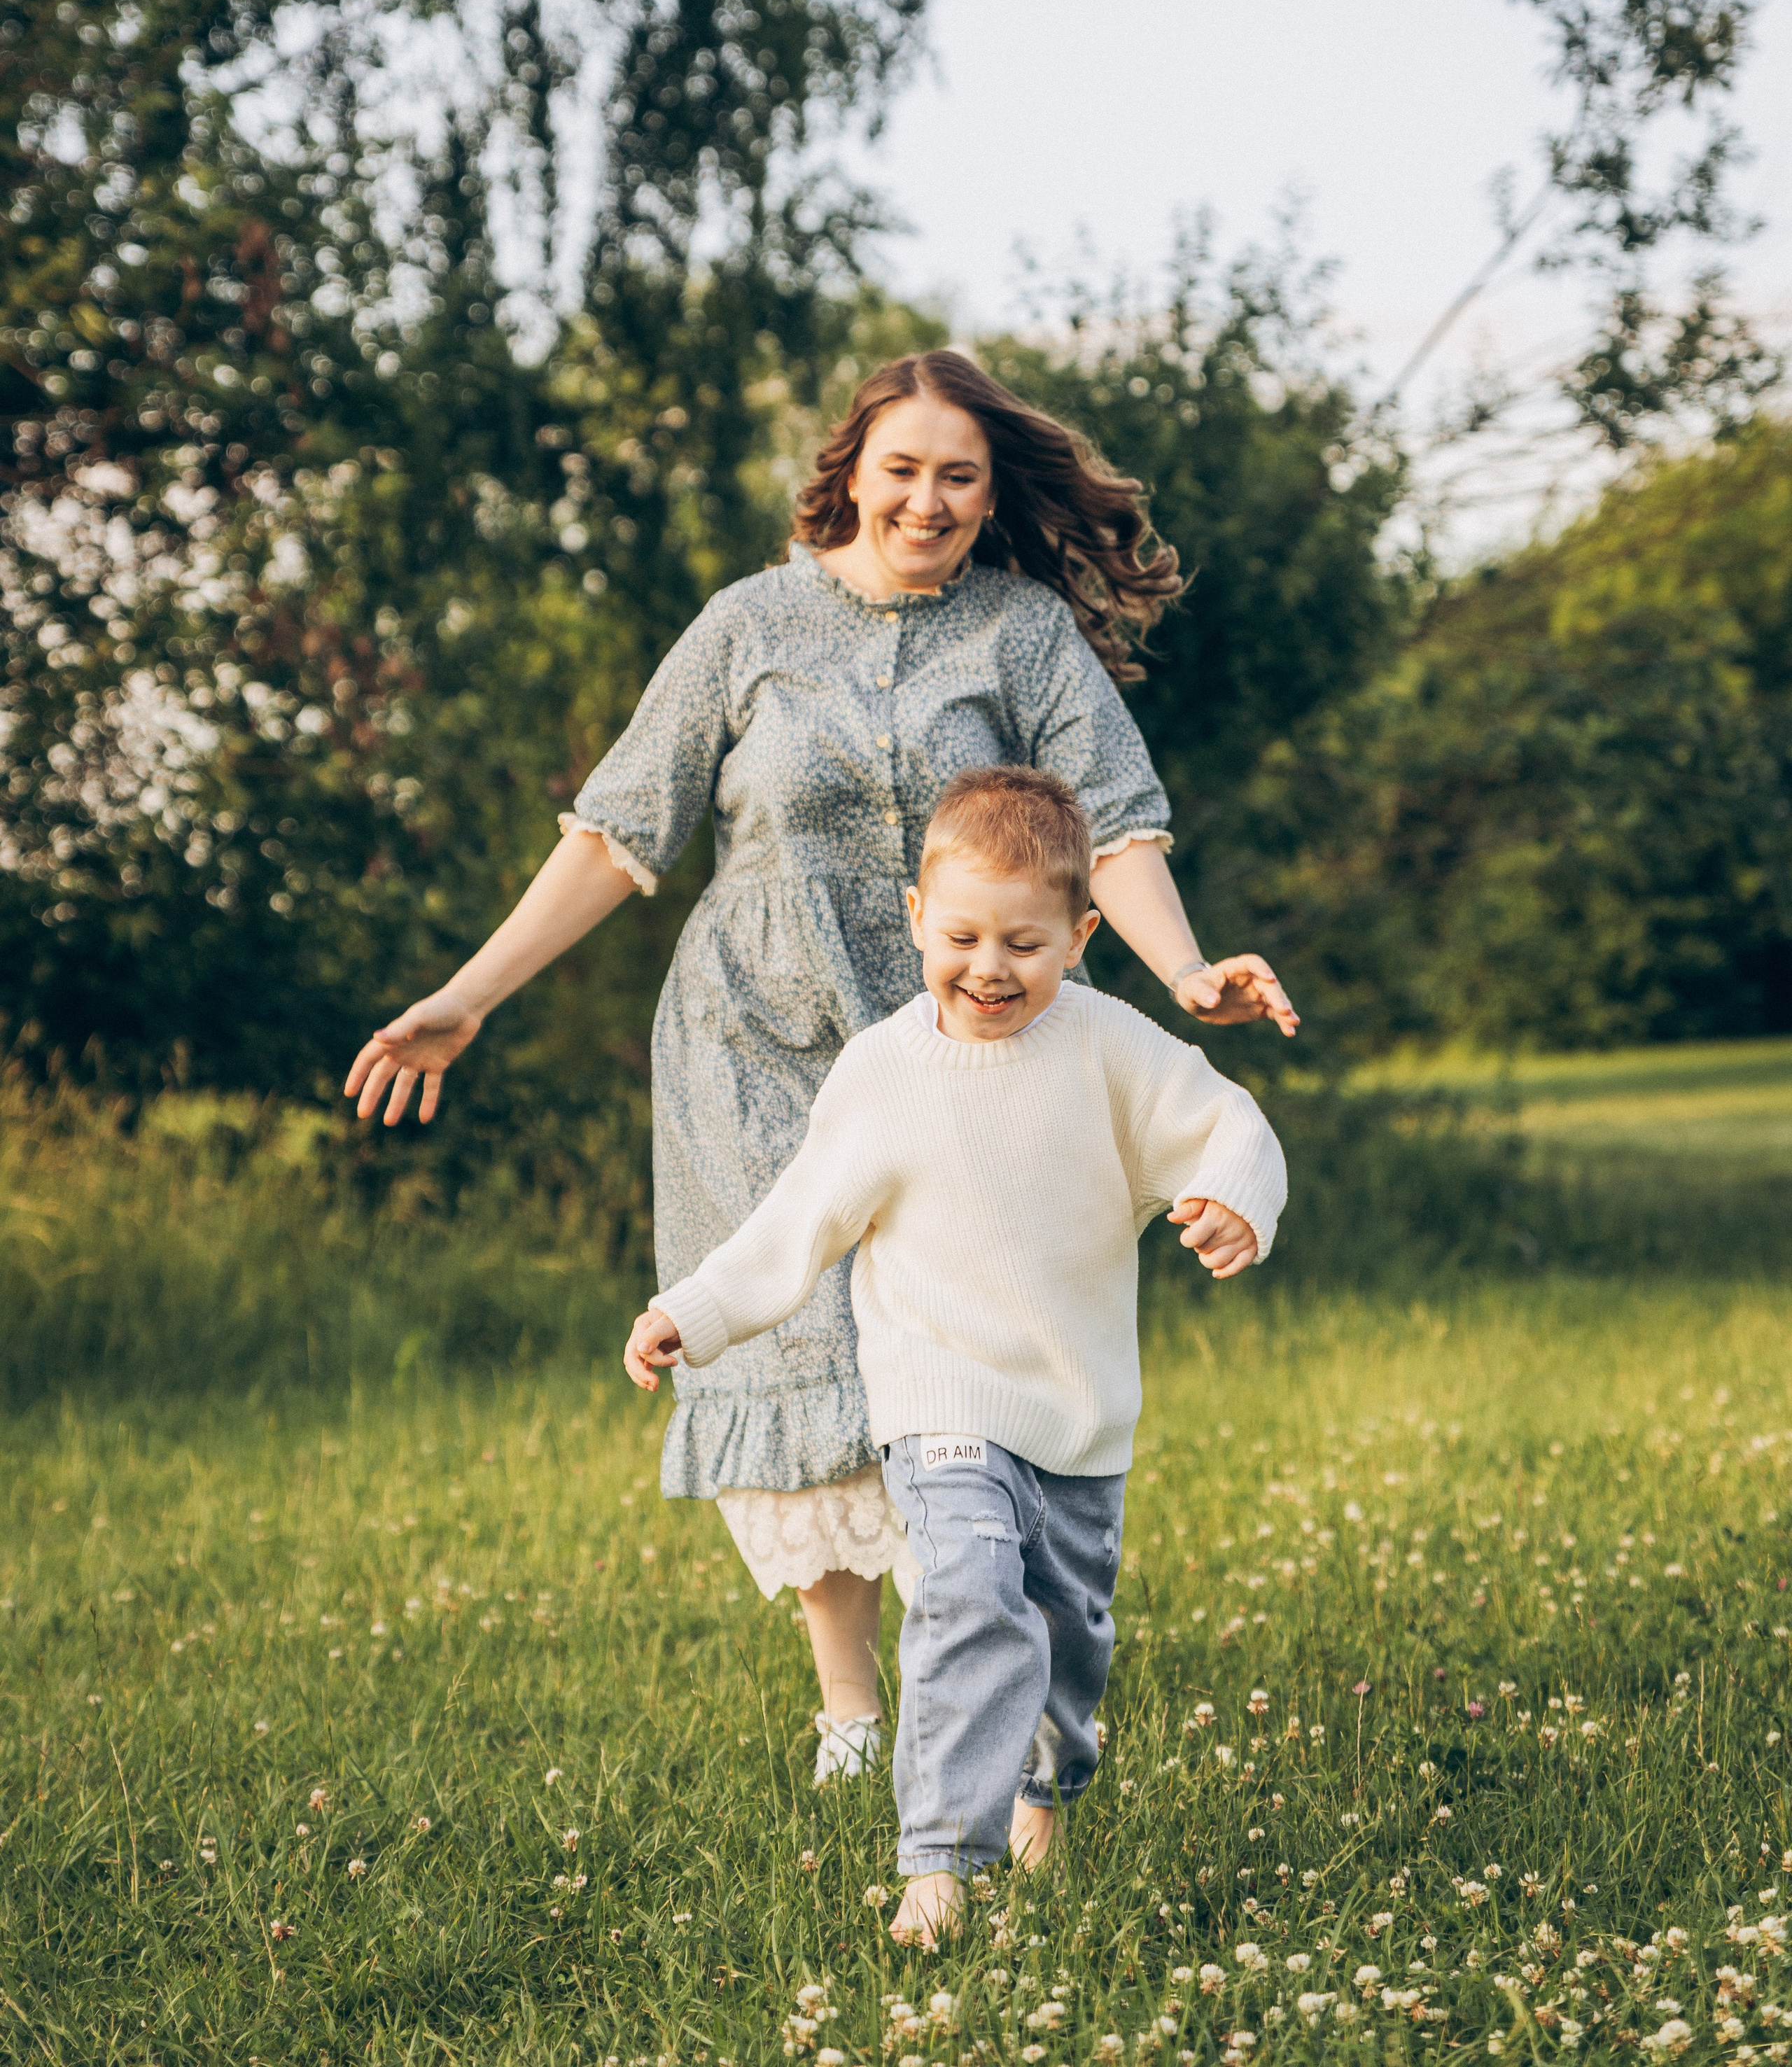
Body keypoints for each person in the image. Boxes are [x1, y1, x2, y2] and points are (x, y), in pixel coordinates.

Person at [344, 348, 1298, 1783]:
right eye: (901, 468)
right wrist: (469, 997)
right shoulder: (746, 626)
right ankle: (851, 1708)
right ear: (849, 468)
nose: (925, 499)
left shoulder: (1022, 635)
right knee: (797, 1347)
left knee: (958, 1348)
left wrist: (1179, 971)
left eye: (957, 477)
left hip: (969, 1050)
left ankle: (977, 1666)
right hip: (753, 1046)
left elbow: (1112, 827)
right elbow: (617, 834)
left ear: (989, 496)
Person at [625, 766, 1286, 1944]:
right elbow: (799, 1216)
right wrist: (698, 1310)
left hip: (1077, 1416)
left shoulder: (1108, 1050)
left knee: (1067, 1641)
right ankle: (937, 1861)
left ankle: (1045, 1786)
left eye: (1025, 943)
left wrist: (1234, 1197)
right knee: (969, 1594)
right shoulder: (883, 1071)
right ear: (919, 917)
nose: (990, 967)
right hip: (938, 1402)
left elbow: (1226, 1121)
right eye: (965, 935)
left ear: (1081, 938)